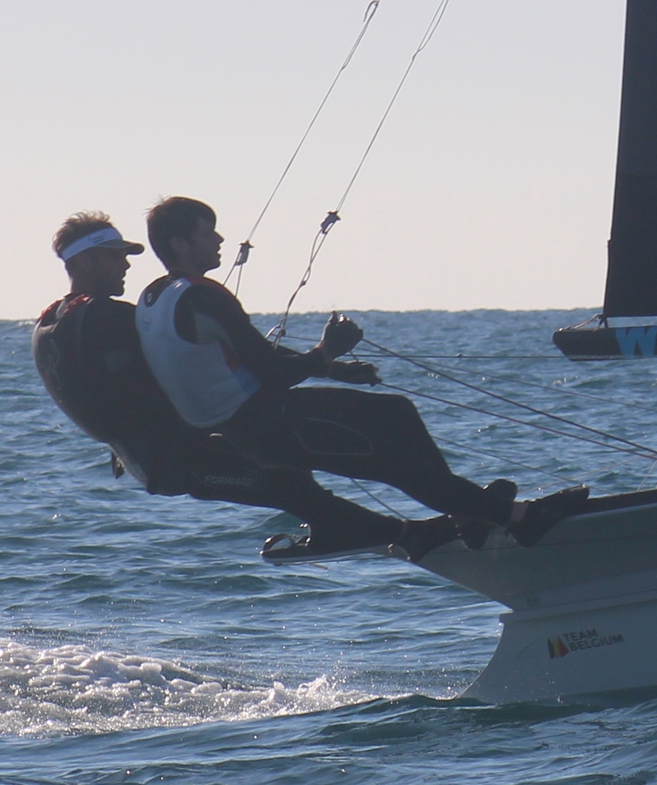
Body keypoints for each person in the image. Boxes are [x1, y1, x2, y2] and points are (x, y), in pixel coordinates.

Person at [134, 195, 590, 547]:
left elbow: (242, 359)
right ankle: (519, 519)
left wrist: (332, 369)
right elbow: (271, 371)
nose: (219, 240)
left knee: (396, 412)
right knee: (397, 465)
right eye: (208, 232)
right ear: (180, 244)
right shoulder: (204, 296)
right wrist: (327, 350)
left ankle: (468, 512)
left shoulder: (154, 298)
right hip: (268, 424)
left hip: (253, 420)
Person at [31, 213, 425, 560]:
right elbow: (246, 356)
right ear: (83, 261)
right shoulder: (105, 317)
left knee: (289, 467)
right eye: (115, 256)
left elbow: (237, 352)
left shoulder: (52, 322)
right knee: (288, 484)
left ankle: (348, 533)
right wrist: (324, 360)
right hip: (177, 461)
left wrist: (329, 369)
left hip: (155, 458)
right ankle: (413, 537)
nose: (126, 264)